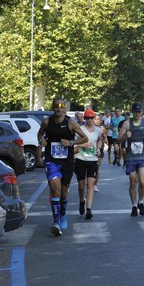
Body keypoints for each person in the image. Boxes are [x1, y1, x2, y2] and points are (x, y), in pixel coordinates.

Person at [38, 98, 88, 236]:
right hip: (51, 160)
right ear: (53, 108)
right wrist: (41, 141)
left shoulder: (70, 123)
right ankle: (56, 222)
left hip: (67, 162)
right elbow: (40, 134)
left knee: (64, 192)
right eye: (56, 106)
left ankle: (63, 214)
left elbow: (85, 138)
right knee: (56, 190)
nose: (59, 108)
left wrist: (71, 142)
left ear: (65, 108)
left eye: (61, 106)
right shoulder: (47, 122)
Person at [118, 102, 144, 216]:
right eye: (135, 112)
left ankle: (141, 202)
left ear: (142, 112)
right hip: (131, 157)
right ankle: (134, 205)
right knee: (133, 182)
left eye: (139, 112)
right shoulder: (127, 124)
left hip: (143, 156)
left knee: (142, 181)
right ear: (132, 112)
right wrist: (125, 136)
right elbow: (118, 140)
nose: (137, 114)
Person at [73, 109, 103, 220]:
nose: (90, 120)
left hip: (93, 160)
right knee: (81, 186)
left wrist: (99, 149)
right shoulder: (80, 130)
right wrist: (83, 145)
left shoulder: (98, 130)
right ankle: (82, 201)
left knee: (90, 185)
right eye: (88, 118)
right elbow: (74, 145)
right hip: (80, 159)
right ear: (85, 119)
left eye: (92, 118)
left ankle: (89, 209)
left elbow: (100, 140)